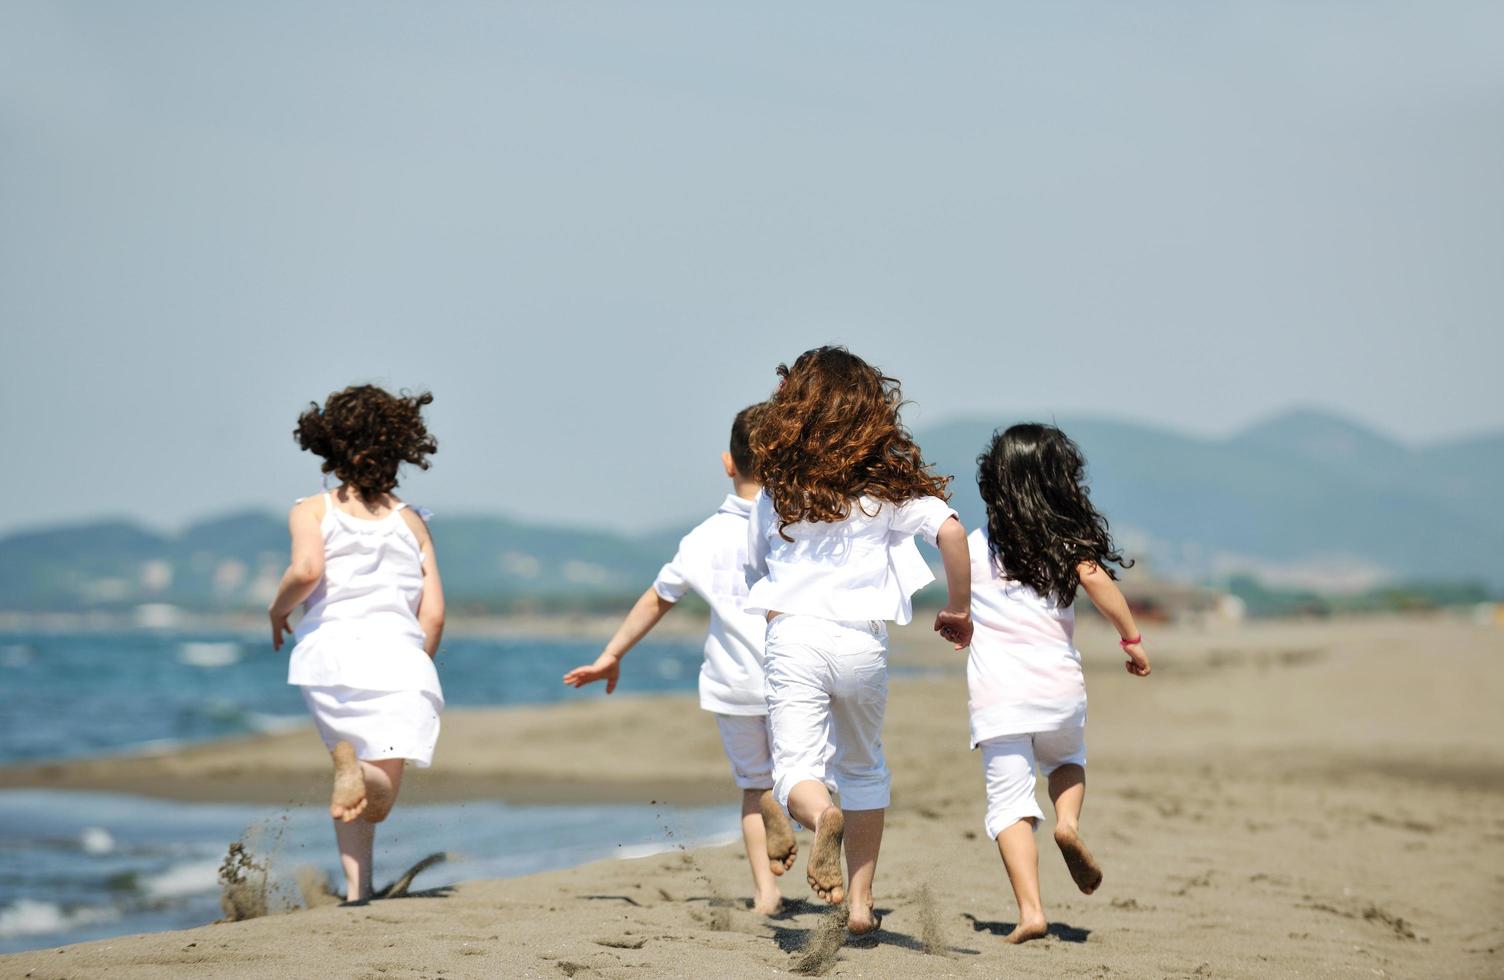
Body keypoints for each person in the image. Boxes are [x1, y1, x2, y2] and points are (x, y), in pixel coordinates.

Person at [743, 346, 973, 935]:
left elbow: (755, 566)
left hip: (795, 634)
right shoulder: (885, 489)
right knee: (864, 764)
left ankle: (822, 818)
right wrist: (959, 607)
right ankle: (863, 905)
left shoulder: (777, 489)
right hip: (862, 644)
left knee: (796, 770)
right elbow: (950, 529)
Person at [562, 403, 799, 915]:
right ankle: (795, 817)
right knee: (804, 776)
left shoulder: (702, 538)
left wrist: (610, 654)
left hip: (732, 682)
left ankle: (766, 895)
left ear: (727, 463)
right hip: (792, 676)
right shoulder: (796, 527)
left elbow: (657, 598)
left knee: (753, 785)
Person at [967, 423, 1151, 943]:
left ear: (994, 485)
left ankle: (1030, 911)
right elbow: (1099, 583)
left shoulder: (976, 545)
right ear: (1058, 483)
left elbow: (957, 589)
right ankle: (1067, 823)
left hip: (997, 694)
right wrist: (1131, 640)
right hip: (1058, 689)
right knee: (1067, 761)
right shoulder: (1067, 545)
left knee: (1008, 804)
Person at [268, 384, 445, 904]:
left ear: (329, 444)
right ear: (400, 445)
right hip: (397, 660)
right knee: (379, 793)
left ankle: (356, 890)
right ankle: (355, 773)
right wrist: (418, 663)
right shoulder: (410, 521)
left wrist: (278, 610)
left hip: (328, 658)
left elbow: (305, 571)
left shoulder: (311, 510)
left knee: (353, 786)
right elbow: (432, 612)